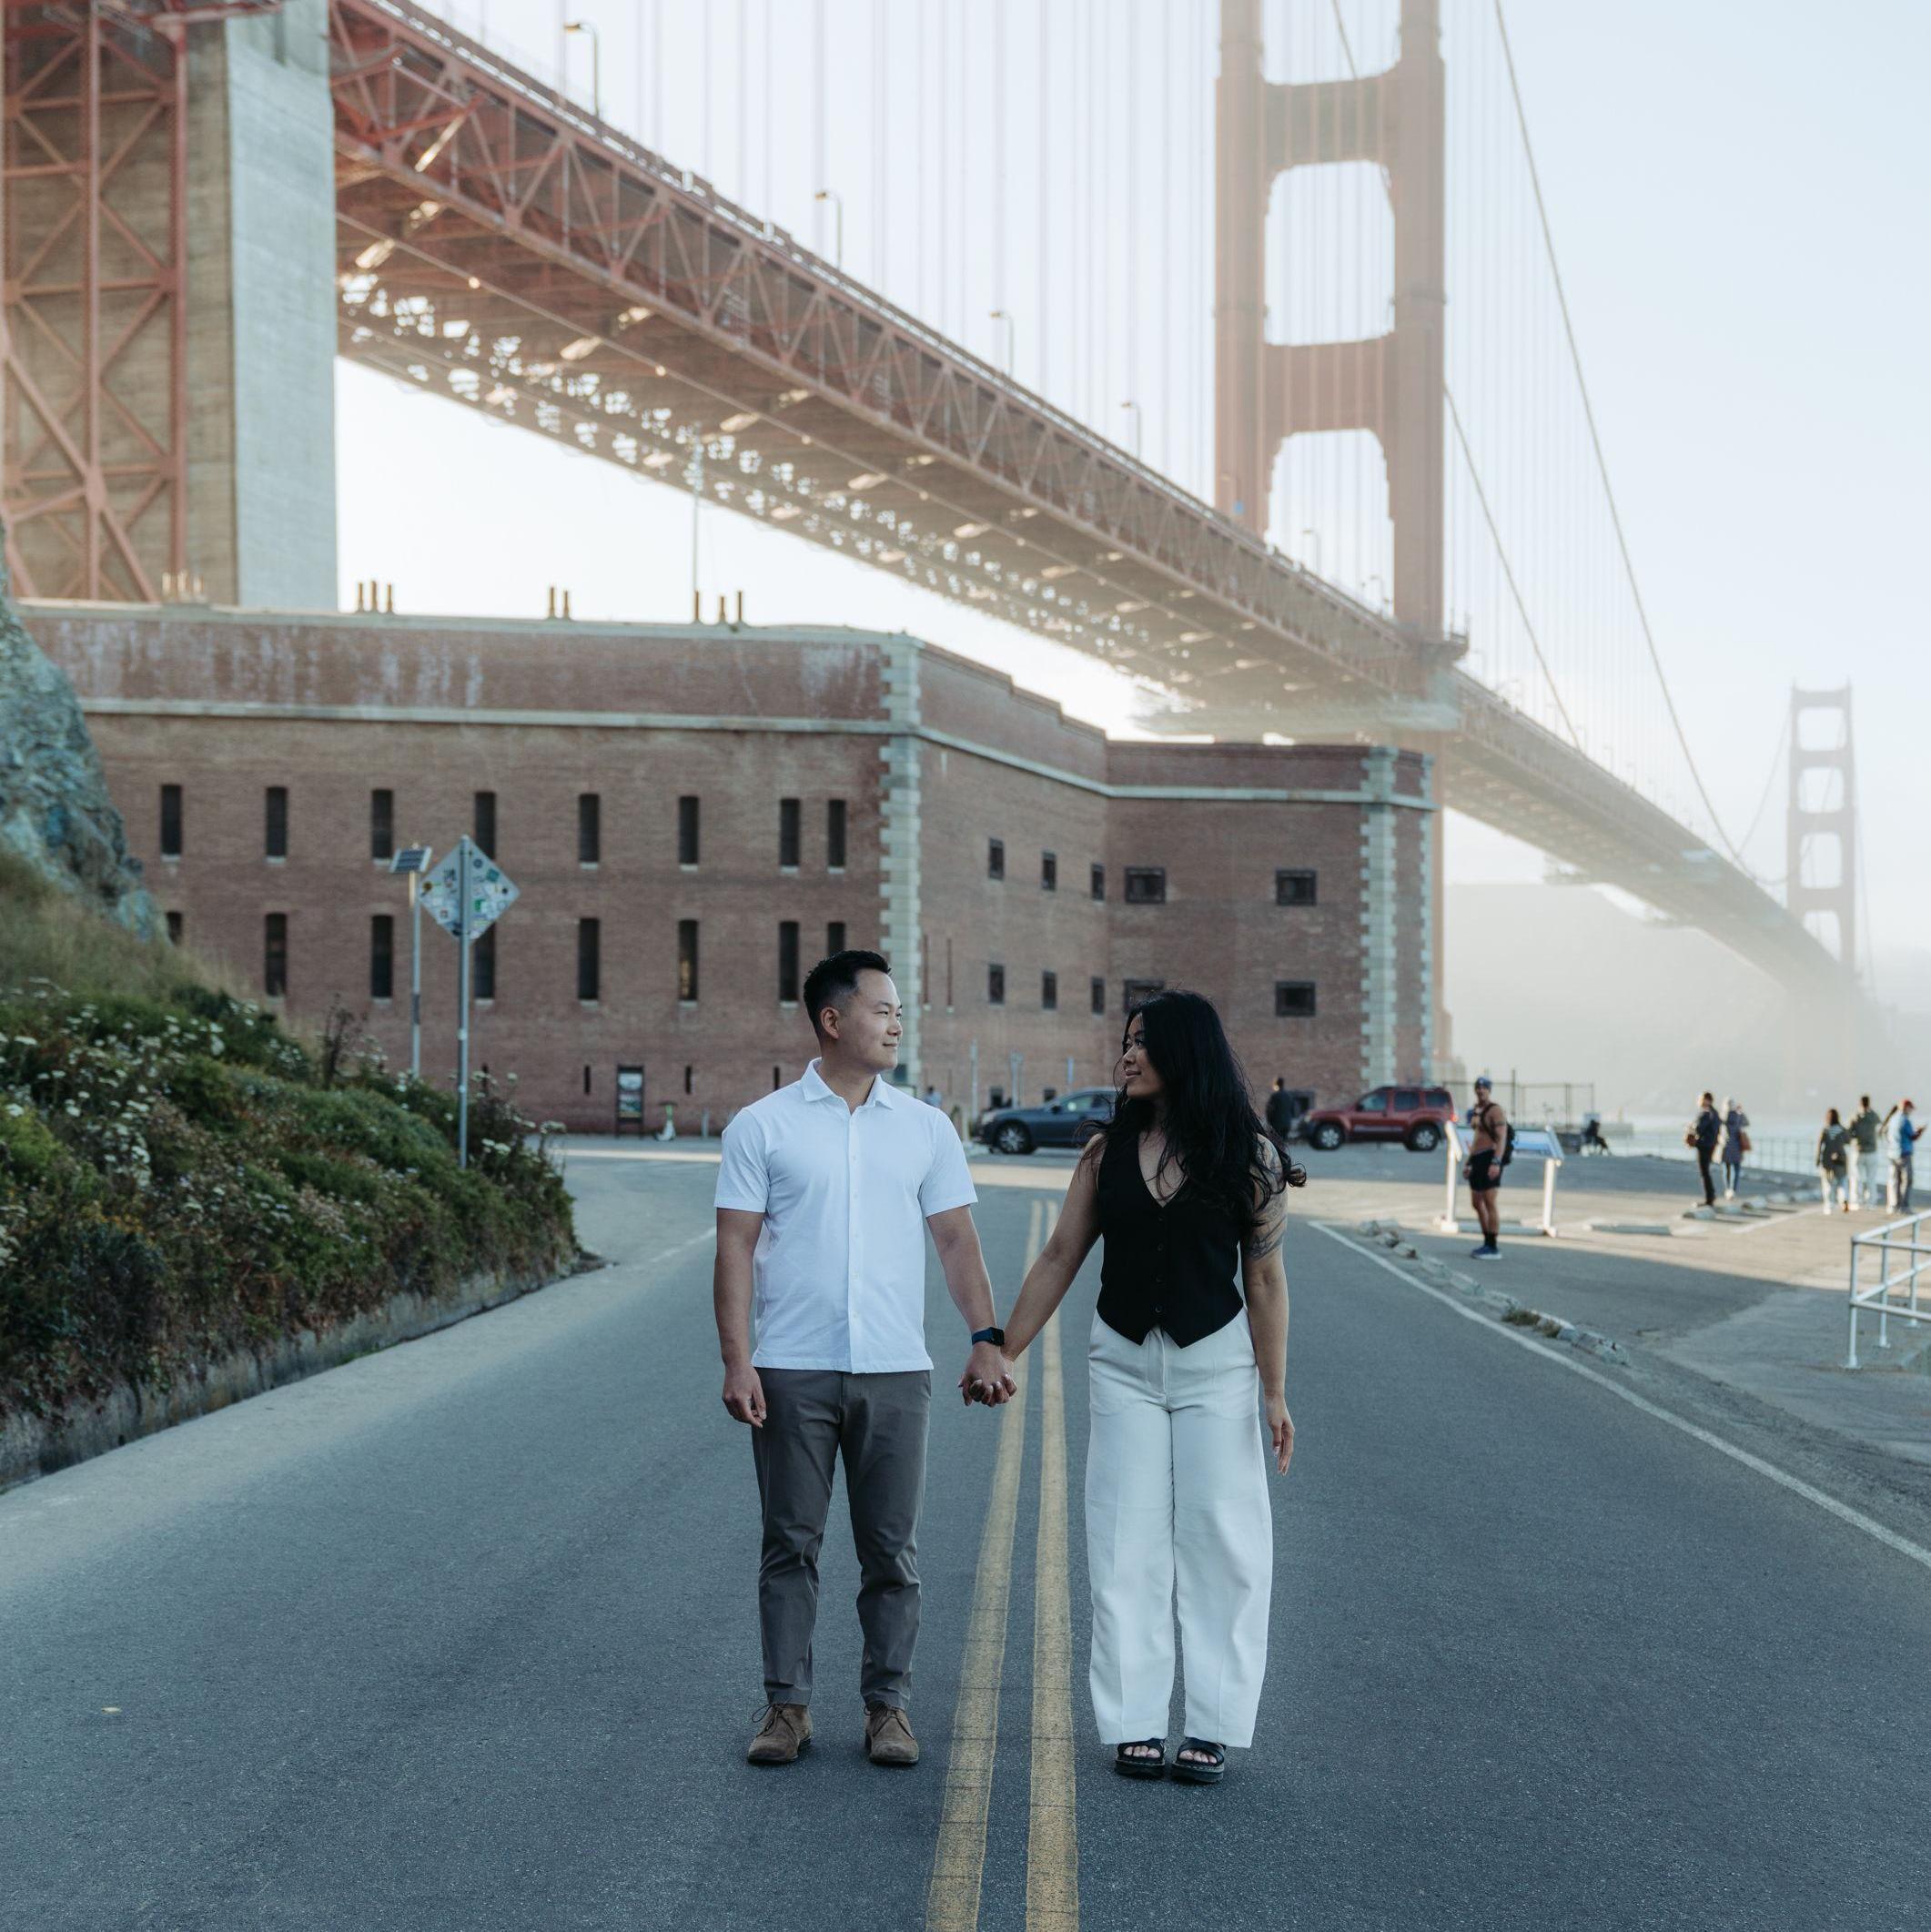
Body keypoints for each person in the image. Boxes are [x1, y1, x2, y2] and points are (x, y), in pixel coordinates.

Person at [713, 949, 1015, 1771]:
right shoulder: (763, 1125)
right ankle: (787, 1707)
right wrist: (739, 1362)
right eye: (882, 1009)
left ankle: (890, 1709)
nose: (896, 1023)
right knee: (790, 1543)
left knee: (892, 1550)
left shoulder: (923, 1127)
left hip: (894, 1369)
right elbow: (735, 1250)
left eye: (898, 1011)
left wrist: (986, 1337)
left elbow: (956, 1240)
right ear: (832, 1020)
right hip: (791, 1367)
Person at [990, 991, 1299, 1787]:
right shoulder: (1102, 1154)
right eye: (1123, 1043)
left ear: (1183, 1051)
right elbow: (1061, 1254)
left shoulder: (1250, 1155)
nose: (1125, 1056)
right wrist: (1004, 1349)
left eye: (1141, 1043)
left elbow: (1264, 1278)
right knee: (1123, 1539)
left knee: (1223, 1541)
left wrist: (1274, 1391)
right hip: (1121, 1360)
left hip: (1217, 1365)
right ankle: (1133, 1721)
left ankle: (1213, 1725)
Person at [1465, 1075, 1508, 1259]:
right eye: (1478, 1087)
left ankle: (1493, 1245)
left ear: (1489, 1090)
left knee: (1490, 1201)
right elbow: (1476, 1139)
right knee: (1476, 1202)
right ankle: (1485, 1241)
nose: (1480, 1090)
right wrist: (1469, 1162)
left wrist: (1496, 1162)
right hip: (1477, 1159)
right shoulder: (1477, 1111)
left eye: (1484, 1087)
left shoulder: (1495, 1110)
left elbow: (1501, 1138)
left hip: (1490, 1157)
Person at [1847, 1095, 1883, 1209]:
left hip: (1858, 1150)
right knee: (1871, 1178)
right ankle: (1871, 1202)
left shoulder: (1855, 1116)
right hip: (1872, 1151)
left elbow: (1848, 1133)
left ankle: (1857, 1201)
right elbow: (1880, 1125)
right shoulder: (1873, 1116)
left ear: (1860, 1103)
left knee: (1856, 1177)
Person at [1884, 1099, 1919, 1213]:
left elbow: (1885, 1133)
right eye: (1910, 1108)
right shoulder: (1904, 1120)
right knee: (1907, 1180)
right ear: (1906, 1107)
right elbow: (1913, 1136)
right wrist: (1919, 1132)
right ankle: (1904, 1206)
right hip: (1904, 1153)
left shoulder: (1892, 1119)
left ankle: (1894, 1205)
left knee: (1895, 1180)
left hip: (1892, 1154)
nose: (1911, 1111)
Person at [1689, 1092, 1722, 1207]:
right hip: (1712, 1144)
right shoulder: (1715, 1113)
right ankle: (1711, 1195)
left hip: (1704, 1145)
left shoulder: (1706, 1113)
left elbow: (1699, 1129)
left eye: (1702, 1099)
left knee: (1704, 1172)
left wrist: (1693, 1127)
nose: (1700, 1101)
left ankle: (1709, 1198)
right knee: (1706, 1171)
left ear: (1708, 1100)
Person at [1816, 1108, 1851, 1212]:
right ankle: (1844, 1199)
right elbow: (1848, 1141)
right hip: (1841, 1159)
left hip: (1828, 1161)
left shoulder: (1825, 1130)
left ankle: (1829, 1205)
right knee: (1842, 1181)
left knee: (1828, 1183)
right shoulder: (1842, 1129)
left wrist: (1818, 1159)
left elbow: (1819, 1146)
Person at [1719, 1097, 1750, 1200]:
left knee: (1725, 1168)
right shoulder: (1738, 1116)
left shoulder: (1723, 1116)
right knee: (1736, 1169)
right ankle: (1733, 1190)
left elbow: (1718, 1125)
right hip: (1737, 1146)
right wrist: (1741, 1112)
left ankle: (1728, 1189)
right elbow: (1747, 1123)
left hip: (1726, 1145)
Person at [1264, 1077, 1297, 1141]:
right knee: (1284, 1142)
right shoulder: (1289, 1096)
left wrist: (1269, 1121)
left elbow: (1270, 1109)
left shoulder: (1275, 1096)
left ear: (1277, 1084)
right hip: (1287, 1123)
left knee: (1276, 1142)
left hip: (1276, 1124)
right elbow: (1293, 1110)